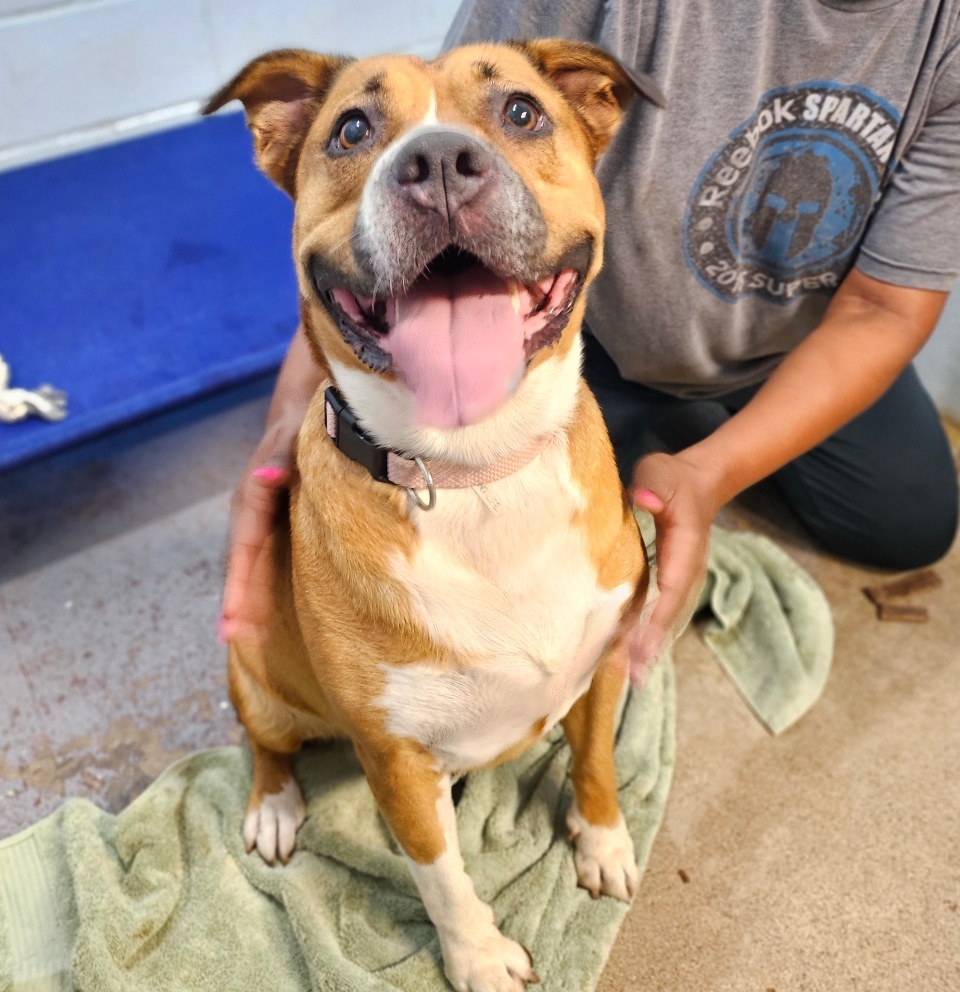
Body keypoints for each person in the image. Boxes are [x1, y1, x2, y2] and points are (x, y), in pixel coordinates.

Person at [219, 0, 960, 684]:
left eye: (518, 114)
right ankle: (650, 422)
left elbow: (883, 311)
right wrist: (295, 412)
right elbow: (400, 173)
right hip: (593, 340)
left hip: (792, 342)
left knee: (911, 522)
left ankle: (692, 429)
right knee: (481, 529)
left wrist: (712, 475)